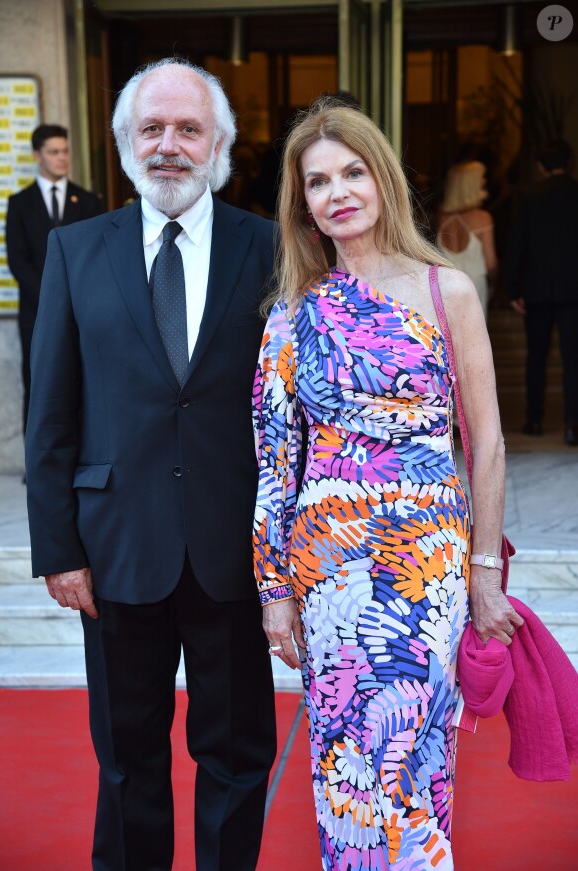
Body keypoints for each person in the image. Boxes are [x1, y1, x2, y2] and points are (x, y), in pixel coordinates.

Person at [252, 103, 522, 869]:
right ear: (302, 204)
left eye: (352, 172)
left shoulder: (446, 291)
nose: (338, 192)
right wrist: (275, 591)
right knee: (346, 757)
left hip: (425, 567)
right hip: (330, 572)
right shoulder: (291, 317)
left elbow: (490, 441)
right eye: (317, 181)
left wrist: (483, 573)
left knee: (412, 743)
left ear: (383, 179)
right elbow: (275, 465)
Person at [25, 59, 276, 871]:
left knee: (237, 755)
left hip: (232, 551)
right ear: (127, 144)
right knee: (126, 757)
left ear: (221, 145)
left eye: (188, 129)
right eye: (152, 129)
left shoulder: (272, 248)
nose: (169, 146)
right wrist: (57, 547)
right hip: (115, 547)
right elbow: (51, 412)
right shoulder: (73, 250)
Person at [6, 124, 101, 432]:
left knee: (81, 382)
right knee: (37, 384)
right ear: (37, 156)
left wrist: (74, 300)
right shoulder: (19, 203)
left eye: (65, 151)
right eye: (53, 152)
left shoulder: (87, 201)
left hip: (81, 312)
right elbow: (18, 261)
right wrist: (52, 298)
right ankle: (35, 464)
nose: (62, 158)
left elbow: (95, 258)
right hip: (35, 314)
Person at [507, 140, 578, 446]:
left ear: (540, 166)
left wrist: (512, 288)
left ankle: (534, 419)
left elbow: (516, 245)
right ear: (568, 163)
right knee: (573, 359)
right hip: (574, 290)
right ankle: (573, 425)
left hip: (536, 289)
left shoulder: (528, 195)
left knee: (536, 357)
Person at [436, 160, 497, 319]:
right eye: (481, 178)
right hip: (474, 284)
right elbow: (491, 263)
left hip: (445, 286)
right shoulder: (483, 218)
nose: (484, 181)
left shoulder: (441, 218)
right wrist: (493, 284)